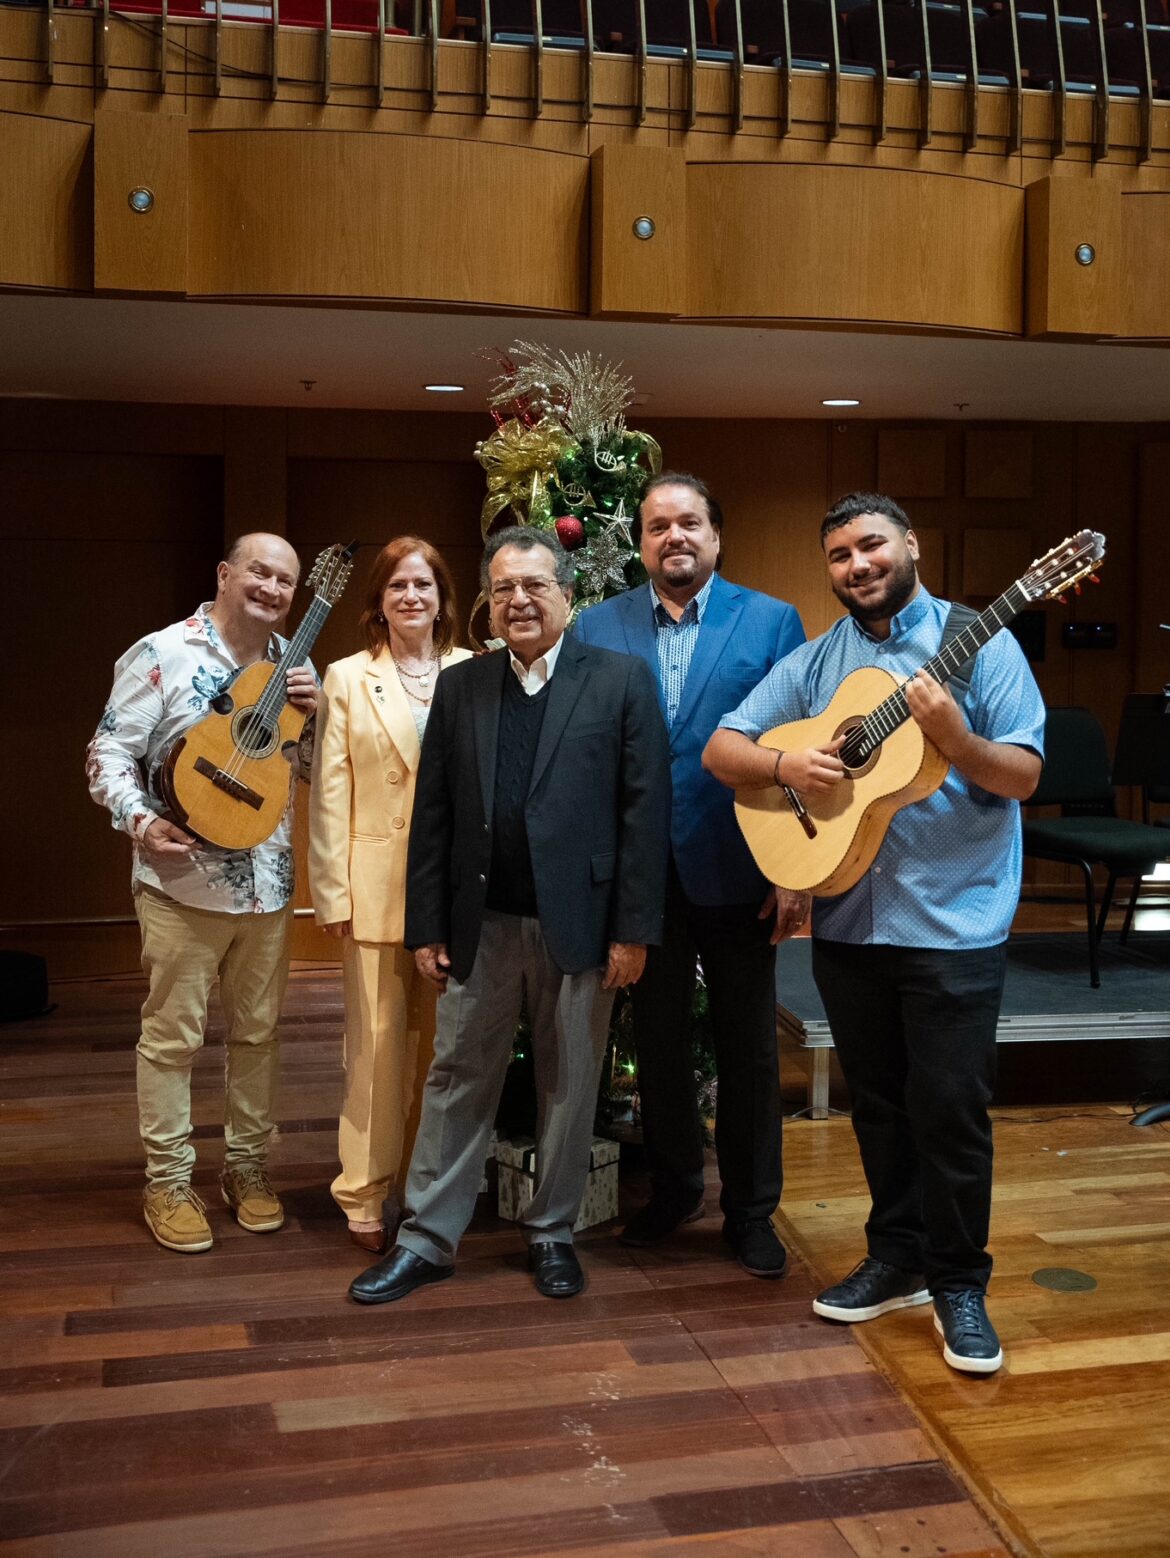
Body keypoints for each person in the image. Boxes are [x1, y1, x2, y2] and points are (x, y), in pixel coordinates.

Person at [703, 491, 1044, 1374]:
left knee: (952, 1113)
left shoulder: (985, 642)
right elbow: (722, 747)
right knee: (881, 1106)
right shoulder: (824, 666)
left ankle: (960, 1281)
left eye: (871, 546)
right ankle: (898, 1257)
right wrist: (788, 763)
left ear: (910, 546)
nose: (858, 565)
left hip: (953, 923)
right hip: (849, 916)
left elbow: (1024, 777)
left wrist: (955, 741)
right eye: (840, 556)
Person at [349, 526, 670, 1306]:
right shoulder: (465, 688)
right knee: (457, 1078)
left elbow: (643, 815)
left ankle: (553, 1232)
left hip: (582, 927)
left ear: (566, 595)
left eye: (534, 585)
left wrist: (633, 930)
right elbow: (435, 818)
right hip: (480, 924)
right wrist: (427, 925)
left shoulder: (621, 681)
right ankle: (427, 1239)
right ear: (488, 605)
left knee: (570, 1084)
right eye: (502, 589)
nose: (518, 600)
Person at [574, 473, 806, 1278]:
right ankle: (674, 1190)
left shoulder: (773, 621)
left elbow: (788, 747)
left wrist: (792, 870)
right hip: (642, 876)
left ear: (716, 535)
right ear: (640, 541)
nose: (673, 537)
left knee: (749, 1050)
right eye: (657, 526)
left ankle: (751, 1213)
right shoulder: (597, 627)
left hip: (742, 861)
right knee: (660, 1044)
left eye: (689, 524)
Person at [86, 533, 319, 1253]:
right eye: (260, 572)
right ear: (224, 574)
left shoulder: (296, 665)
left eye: (286, 581)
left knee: (258, 1037)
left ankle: (247, 1168)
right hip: (181, 883)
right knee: (173, 1040)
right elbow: (108, 753)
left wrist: (320, 719)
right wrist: (140, 820)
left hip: (268, 885)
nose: (273, 588)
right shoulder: (161, 654)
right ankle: (167, 1179)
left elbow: (306, 773)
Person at [308, 536, 471, 1254]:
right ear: (378, 601)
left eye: (425, 585)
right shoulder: (346, 677)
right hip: (375, 885)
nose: (411, 596)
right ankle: (365, 1190)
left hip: (461, 890)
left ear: (443, 600)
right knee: (375, 1049)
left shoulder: (476, 670)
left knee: (449, 1050)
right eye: (398, 585)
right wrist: (331, 893)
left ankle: (428, 1182)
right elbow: (329, 790)